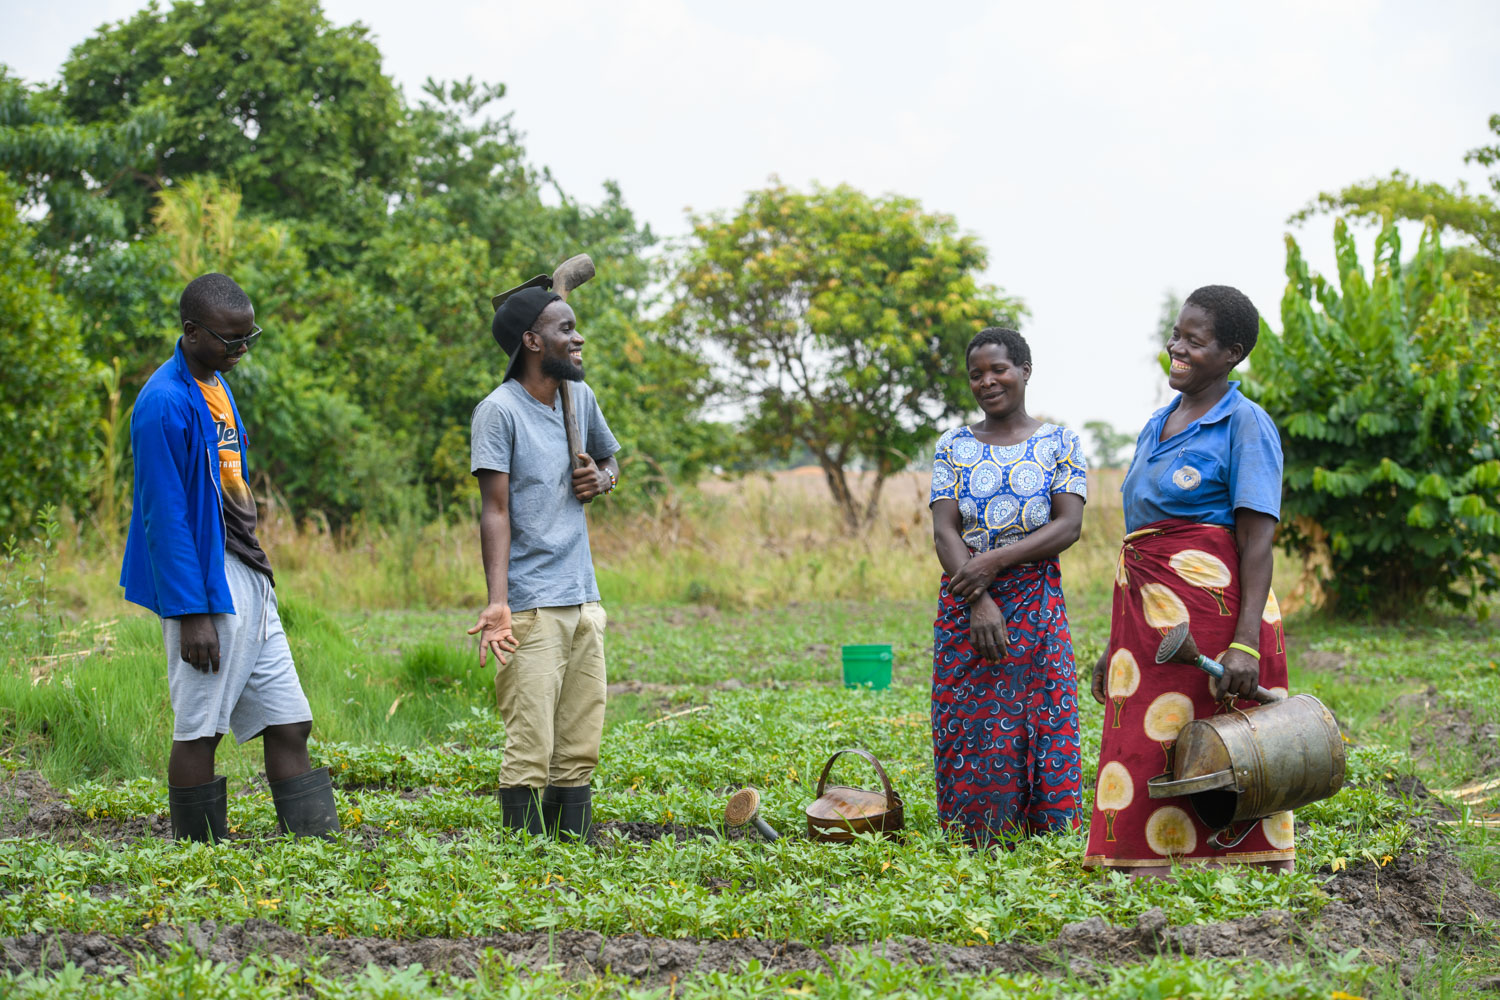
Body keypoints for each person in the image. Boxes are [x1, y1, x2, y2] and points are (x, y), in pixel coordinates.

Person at [119, 273, 340, 842]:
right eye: (229, 340)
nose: (241, 351)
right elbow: (163, 518)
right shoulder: (161, 404)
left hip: (248, 575)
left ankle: (314, 850)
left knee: (290, 721)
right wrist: (191, 611)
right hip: (205, 585)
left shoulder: (215, 382)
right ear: (191, 332)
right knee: (201, 730)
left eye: (248, 338)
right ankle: (198, 860)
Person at [1083, 285, 1292, 877]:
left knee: (1223, 744)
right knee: (1146, 745)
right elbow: (1141, 545)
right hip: (1144, 623)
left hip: (1215, 621)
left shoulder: (1246, 425)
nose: (1176, 347)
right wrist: (1114, 644)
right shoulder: (1158, 424)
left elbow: (1256, 543)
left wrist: (1245, 642)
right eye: (1176, 334)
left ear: (1231, 352)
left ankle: (1239, 869)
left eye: (1193, 340)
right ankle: (1140, 865)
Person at [468, 285, 620, 841]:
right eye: (564, 329)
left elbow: (609, 461)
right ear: (532, 341)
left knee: (578, 747)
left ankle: (568, 859)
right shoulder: (499, 411)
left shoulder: (580, 398)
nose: (577, 338)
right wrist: (499, 601)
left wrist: (601, 478)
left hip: (583, 597)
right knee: (531, 748)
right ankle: (525, 870)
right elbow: (496, 511)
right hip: (532, 605)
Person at [929, 327, 1089, 847]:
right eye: (976, 374)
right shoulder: (953, 445)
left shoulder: (1060, 442)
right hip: (966, 598)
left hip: (1036, 600)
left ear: (1024, 370)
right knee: (969, 719)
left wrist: (991, 563)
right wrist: (979, 599)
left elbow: (1068, 526)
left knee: (1044, 714)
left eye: (998, 369)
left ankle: (1049, 830)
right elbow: (945, 529)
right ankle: (978, 833)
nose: (987, 381)